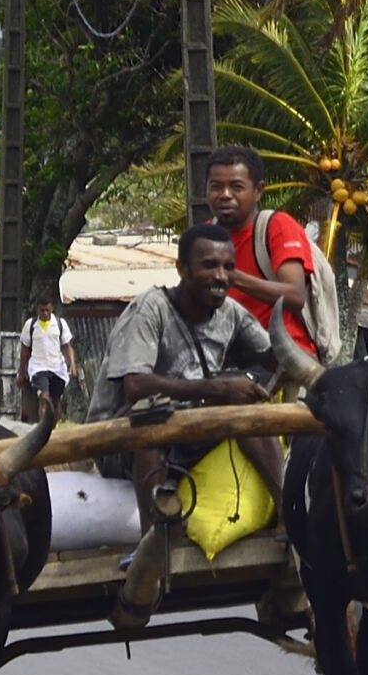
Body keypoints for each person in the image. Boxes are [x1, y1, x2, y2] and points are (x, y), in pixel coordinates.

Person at [87, 223, 277, 629]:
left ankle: (292, 519)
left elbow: (275, 357)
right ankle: (150, 544)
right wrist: (216, 387)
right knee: (154, 417)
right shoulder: (149, 309)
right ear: (183, 269)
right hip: (122, 438)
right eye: (209, 266)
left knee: (251, 414)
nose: (221, 276)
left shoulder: (231, 314)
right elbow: (135, 387)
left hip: (193, 434)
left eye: (228, 266)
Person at [205, 145, 319, 365]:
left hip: (286, 359)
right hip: (227, 358)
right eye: (216, 187)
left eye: (236, 187)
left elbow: (295, 296)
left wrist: (231, 276)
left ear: (258, 190)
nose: (225, 195)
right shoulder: (205, 236)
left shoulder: (277, 226)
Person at [19, 296, 78, 421]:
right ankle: (43, 429)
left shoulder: (59, 324)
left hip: (57, 368)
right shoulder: (30, 325)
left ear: (52, 309)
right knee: (44, 398)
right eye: (42, 310)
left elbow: (68, 346)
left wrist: (72, 365)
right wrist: (21, 372)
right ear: (37, 310)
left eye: (47, 310)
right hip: (38, 367)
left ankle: (53, 431)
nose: (45, 313)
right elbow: (25, 350)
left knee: (55, 402)